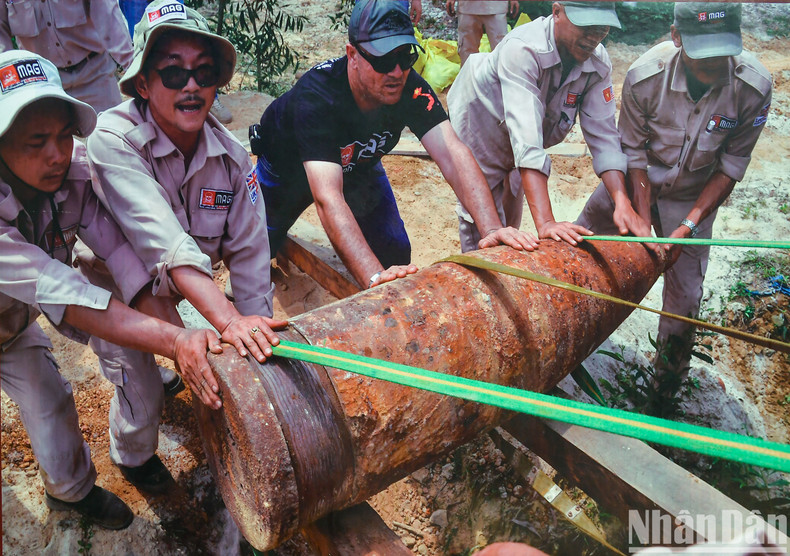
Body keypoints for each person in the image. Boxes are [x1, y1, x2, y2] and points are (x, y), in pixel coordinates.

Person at [0, 49, 224, 529]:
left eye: (63, 136)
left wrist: (177, 334)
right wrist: (174, 340)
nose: (57, 154)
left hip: (12, 327)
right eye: (36, 141)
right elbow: (65, 295)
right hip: (26, 303)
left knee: (51, 405)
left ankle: (71, 494)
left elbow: (121, 258)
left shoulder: (72, 172)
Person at [251, 0, 538, 291]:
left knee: (394, 252)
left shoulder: (409, 88)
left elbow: (452, 152)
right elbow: (328, 198)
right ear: (352, 55)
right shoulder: (316, 100)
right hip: (286, 168)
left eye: (406, 56)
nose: (397, 72)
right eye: (384, 60)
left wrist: (491, 228)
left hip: (358, 163)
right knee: (256, 251)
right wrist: (374, 278)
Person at [87, 0, 287, 393]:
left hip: (187, 280)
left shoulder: (233, 160)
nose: (192, 85)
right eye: (174, 72)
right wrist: (229, 323)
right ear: (142, 84)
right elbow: (165, 242)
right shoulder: (111, 140)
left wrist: (258, 338)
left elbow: (250, 256)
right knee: (142, 397)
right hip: (121, 285)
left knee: (224, 375)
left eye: (204, 72)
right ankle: (133, 454)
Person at [576, 2, 771, 379]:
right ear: (677, 36)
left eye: (724, 52)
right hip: (638, 187)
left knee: (683, 305)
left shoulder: (754, 87)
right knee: (581, 254)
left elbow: (731, 166)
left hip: (693, 198)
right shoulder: (645, 76)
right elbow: (631, 151)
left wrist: (689, 227)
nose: (715, 64)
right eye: (704, 54)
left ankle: (665, 387)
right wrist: (642, 217)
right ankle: (568, 343)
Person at [448, 1, 652, 253]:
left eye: (602, 28)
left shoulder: (598, 63)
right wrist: (546, 223)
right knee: (484, 220)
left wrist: (622, 202)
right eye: (585, 26)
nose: (593, 37)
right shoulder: (523, 49)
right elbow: (527, 141)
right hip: (481, 118)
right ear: (557, 13)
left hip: (523, 134)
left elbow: (605, 137)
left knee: (512, 210)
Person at [0, 0, 133, 112]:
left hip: (95, 75)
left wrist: (135, 70)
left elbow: (108, 16)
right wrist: (11, 90)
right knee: (50, 140)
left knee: (110, 137)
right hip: (42, 83)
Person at [445, 0, 519, 65]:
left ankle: (502, 78)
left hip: (496, 6)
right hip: (467, 7)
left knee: (501, 49)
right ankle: (468, 78)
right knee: (467, 50)